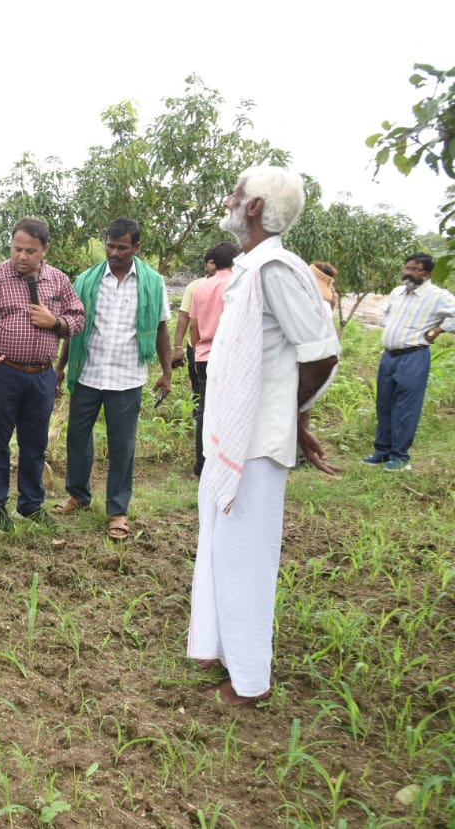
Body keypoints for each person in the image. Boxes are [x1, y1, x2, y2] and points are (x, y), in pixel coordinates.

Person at [188, 166, 341, 706]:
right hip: (234, 434)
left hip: (256, 439)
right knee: (221, 546)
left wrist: (291, 413)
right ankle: (219, 649)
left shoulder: (275, 268)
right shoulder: (251, 267)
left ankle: (250, 681)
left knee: (247, 557)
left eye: (237, 193)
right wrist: (293, 414)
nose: (230, 200)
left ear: (253, 208)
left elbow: (319, 350)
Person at [54, 218, 171, 540]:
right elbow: (73, 328)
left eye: (122, 247)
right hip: (88, 372)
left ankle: (118, 511)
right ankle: (78, 495)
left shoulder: (153, 282)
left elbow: (161, 327)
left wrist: (166, 371)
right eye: (110, 245)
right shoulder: (87, 281)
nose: (115, 252)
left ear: (136, 247)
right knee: (78, 437)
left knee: (123, 446)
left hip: (127, 376)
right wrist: (61, 367)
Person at [0, 217, 84, 533]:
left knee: (34, 442)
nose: (21, 256)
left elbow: (78, 318)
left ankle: (30, 505)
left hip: (41, 375)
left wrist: (55, 322)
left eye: (30, 251)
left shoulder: (58, 281)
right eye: (17, 249)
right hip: (2, 371)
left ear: (44, 249)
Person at [363, 252, 455, 472]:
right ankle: (382, 451)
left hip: (414, 356)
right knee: (384, 404)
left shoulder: (437, 296)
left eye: (415, 269)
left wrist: (438, 329)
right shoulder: (397, 293)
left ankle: (400, 455)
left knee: (406, 407)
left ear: (428, 273)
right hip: (390, 356)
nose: (409, 273)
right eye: (407, 268)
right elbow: (388, 316)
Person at [186, 242, 241, 476]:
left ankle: (202, 464)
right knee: (230, 412)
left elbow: (194, 325)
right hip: (229, 357)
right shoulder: (237, 285)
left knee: (205, 412)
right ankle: (225, 464)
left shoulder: (201, 288)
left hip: (203, 355)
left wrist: (198, 347)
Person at [172, 253, 215, 397]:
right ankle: (198, 417)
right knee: (198, 389)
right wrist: (178, 347)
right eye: (211, 262)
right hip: (196, 345)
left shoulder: (232, 285)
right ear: (205, 265)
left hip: (220, 347)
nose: (214, 266)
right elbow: (184, 317)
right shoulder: (195, 286)